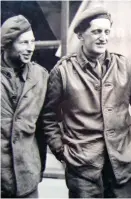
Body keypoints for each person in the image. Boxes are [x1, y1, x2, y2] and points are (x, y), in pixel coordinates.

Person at [42, 7, 131, 198]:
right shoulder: (63, 71)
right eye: (96, 31)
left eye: (106, 31)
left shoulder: (123, 66)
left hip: (122, 165)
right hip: (83, 169)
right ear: (80, 35)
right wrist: (62, 151)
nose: (103, 37)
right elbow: (49, 117)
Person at [1, 15, 48, 198]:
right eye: (23, 43)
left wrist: (37, 168)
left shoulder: (40, 76)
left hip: (27, 177)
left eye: (32, 42)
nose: (30, 48)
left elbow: (44, 128)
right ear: (7, 44)